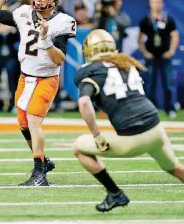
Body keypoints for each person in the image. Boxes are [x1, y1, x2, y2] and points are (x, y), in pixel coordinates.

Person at [73, 29, 184, 212]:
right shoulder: (126, 63)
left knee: (78, 147)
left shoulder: (90, 71)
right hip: (156, 128)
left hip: (134, 136)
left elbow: (84, 102)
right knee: (175, 168)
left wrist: (97, 135)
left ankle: (115, 194)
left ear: (89, 51)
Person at [0, 0, 77, 186]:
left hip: (47, 77)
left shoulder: (63, 21)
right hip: (25, 77)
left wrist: (45, 39)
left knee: (34, 121)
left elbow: (59, 59)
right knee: (24, 124)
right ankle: (42, 161)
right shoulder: (23, 12)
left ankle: (39, 173)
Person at [138, 0, 179, 118]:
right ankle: (150, 109)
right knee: (149, 84)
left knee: (168, 83)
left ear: (163, 4)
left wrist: (171, 51)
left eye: (159, 2)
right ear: (150, 4)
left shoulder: (168, 19)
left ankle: (169, 108)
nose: (157, 4)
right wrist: (145, 53)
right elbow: (139, 38)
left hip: (165, 57)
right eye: (155, 2)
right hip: (151, 57)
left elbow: (175, 36)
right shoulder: (146, 20)